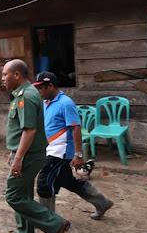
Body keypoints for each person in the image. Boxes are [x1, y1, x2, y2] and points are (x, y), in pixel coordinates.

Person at [1, 59, 70, 233]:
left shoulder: (26, 97)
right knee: (23, 195)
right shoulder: (23, 95)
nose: (2, 79)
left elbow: (29, 131)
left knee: (13, 196)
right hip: (25, 153)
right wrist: (13, 151)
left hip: (29, 156)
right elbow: (20, 130)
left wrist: (18, 158)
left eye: (5, 74)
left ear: (17, 75)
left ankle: (57, 224)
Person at [33, 71, 113, 219]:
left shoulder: (65, 103)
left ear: (50, 86)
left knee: (45, 182)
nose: (39, 91)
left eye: (40, 88)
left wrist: (78, 154)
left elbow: (76, 128)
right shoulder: (46, 103)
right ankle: (102, 202)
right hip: (50, 148)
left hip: (60, 152)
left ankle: (48, 220)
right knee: (67, 180)